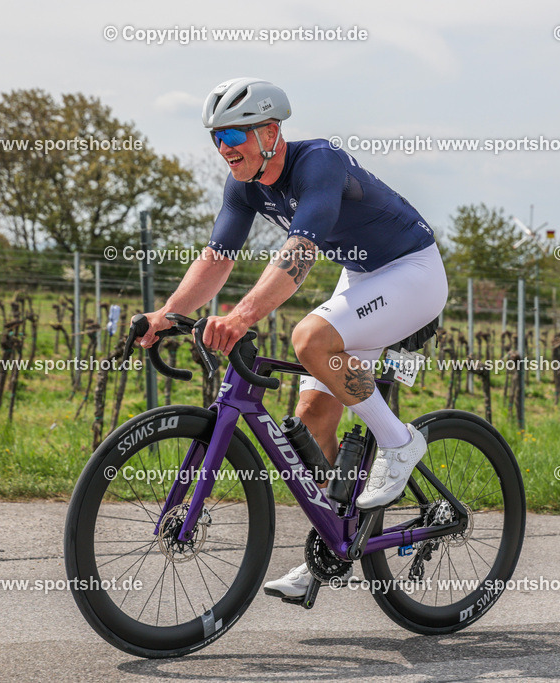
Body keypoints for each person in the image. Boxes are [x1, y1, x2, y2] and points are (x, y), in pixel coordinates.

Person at [136, 77, 448, 599]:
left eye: (234, 135)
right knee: (311, 420)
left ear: (271, 131)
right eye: (215, 137)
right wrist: (167, 315)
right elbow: (216, 261)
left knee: (310, 340)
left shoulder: (318, 162)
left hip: (412, 272)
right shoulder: (244, 184)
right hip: (364, 278)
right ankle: (331, 548)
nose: (223, 148)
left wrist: (241, 317)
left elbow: (300, 253)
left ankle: (400, 443)